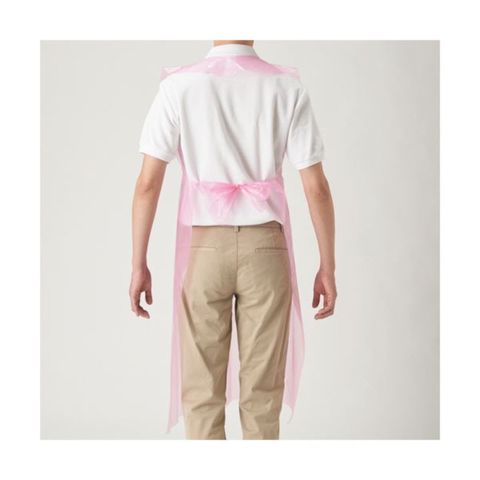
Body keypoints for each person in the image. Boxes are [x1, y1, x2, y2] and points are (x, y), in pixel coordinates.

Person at [129, 40, 337, 440]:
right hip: (266, 252)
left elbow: (147, 185)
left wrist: (139, 264)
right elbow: (317, 188)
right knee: (263, 398)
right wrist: (327, 267)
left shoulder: (179, 87)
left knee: (201, 395)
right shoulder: (286, 87)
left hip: (205, 250)